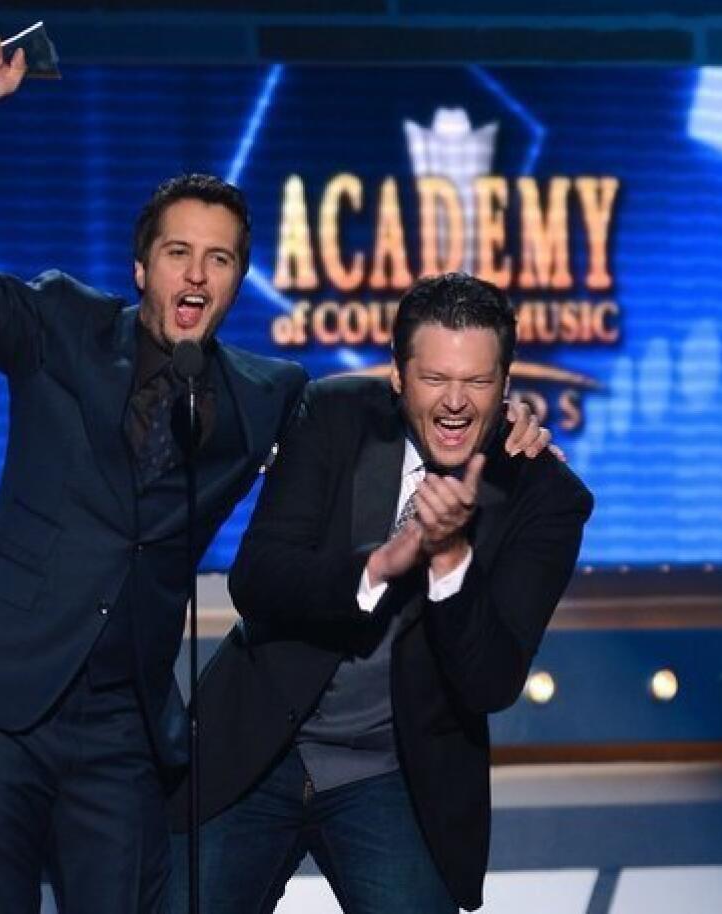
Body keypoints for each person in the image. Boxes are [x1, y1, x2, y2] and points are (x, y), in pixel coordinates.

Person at [0, 31, 309, 914]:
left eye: (220, 258)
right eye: (179, 253)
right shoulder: (60, 322)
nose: (197, 273)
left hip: (121, 730)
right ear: (141, 267)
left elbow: (370, 416)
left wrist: (503, 419)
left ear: (237, 282)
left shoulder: (266, 396)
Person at [170, 272, 594, 913]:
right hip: (259, 745)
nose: (456, 402)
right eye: (435, 378)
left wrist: (450, 557)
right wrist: (379, 568)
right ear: (399, 376)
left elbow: (488, 684)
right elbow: (256, 580)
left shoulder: (546, 498)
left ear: (506, 385)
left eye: (477, 381)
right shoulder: (334, 415)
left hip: (393, 771)